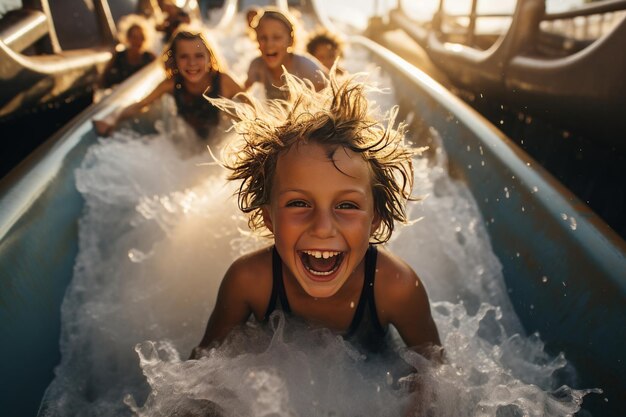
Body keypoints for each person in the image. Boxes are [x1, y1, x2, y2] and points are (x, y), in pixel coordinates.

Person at [191, 71, 442, 362]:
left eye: (346, 206)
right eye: (299, 203)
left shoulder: (394, 287)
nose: (323, 228)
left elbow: (433, 374)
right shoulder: (249, 281)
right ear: (269, 217)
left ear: (375, 220)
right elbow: (202, 369)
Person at [93, 26, 242, 139]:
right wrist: (113, 118)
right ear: (174, 60)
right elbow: (140, 105)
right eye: (184, 56)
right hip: (193, 143)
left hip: (221, 139)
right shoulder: (172, 84)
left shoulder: (223, 82)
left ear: (210, 58)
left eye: (198, 56)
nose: (192, 63)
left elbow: (251, 106)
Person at [245, 7, 326, 99]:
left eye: (277, 37)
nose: (269, 44)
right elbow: (242, 96)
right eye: (263, 38)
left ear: (290, 40)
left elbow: (331, 95)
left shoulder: (306, 66)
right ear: (256, 39)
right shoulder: (257, 66)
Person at [100, 15, 156, 89]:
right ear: (128, 38)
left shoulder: (150, 58)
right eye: (134, 37)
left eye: (141, 37)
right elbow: (103, 81)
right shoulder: (118, 57)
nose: (137, 41)